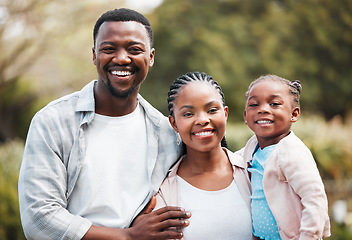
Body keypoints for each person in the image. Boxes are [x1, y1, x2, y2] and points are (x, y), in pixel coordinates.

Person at [18, 8, 190, 240]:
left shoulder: (168, 134)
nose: (121, 58)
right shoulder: (52, 122)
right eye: (109, 49)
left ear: (150, 57)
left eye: (134, 49)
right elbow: (39, 219)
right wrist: (127, 236)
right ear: (94, 55)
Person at [153, 72, 254, 239]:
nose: (202, 120)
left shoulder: (253, 171)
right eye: (188, 114)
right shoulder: (163, 192)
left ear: (225, 113)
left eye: (212, 110)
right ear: (174, 123)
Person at [242, 74, 331, 239]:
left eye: (274, 104)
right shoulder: (252, 147)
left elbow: (314, 200)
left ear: (294, 114)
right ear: (246, 116)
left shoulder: (292, 151)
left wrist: (309, 236)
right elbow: (229, 162)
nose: (263, 109)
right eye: (254, 104)